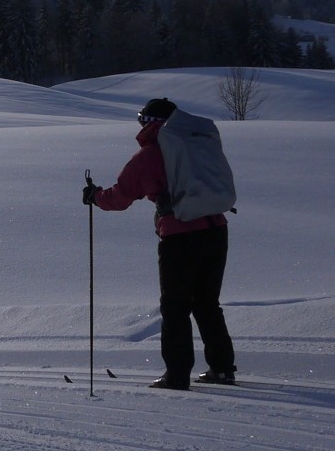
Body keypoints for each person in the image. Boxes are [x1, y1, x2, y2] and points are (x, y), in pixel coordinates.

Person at [83, 98, 236, 390]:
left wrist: (95, 197)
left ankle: (177, 375)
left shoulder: (151, 155)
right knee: (207, 303)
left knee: (175, 306)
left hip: (180, 234)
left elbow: (122, 196)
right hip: (217, 228)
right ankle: (222, 369)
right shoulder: (196, 145)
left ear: (151, 123)